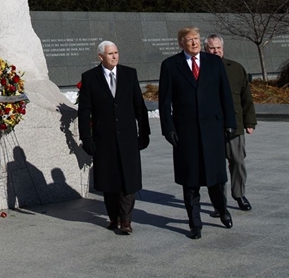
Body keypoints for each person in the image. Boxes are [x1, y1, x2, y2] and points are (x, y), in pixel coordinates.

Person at [159, 27, 237, 239]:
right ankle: (195, 224)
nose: (194, 43)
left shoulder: (213, 62)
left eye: (196, 39)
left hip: (213, 130)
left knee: (215, 179)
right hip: (186, 133)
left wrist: (230, 122)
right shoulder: (170, 66)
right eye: (188, 40)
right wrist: (168, 129)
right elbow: (164, 102)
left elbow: (225, 95)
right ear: (180, 43)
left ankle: (222, 210)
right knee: (190, 181)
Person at [78, 41, 150, 234]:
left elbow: (139, 107)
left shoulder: (129, 74)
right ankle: (113, 218)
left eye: (116, 52)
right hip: (104, 139)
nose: (115, 56)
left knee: (129, 179)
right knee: (109, 180)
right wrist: (87, 138)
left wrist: (144, 132)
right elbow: (85, 111)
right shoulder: (90, 78)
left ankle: (126, 220)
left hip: (127, 138)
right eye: (110, 54)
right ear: (100, 56)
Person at [204, 34, 257, 213]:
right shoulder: (200, 69)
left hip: (235, 124)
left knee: (238, 161)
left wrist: (249, 121)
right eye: (212, 48)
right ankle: (220, 203)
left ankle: (239, 194)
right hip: (212, 127)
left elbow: (246, 98)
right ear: (206, 49)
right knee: (216, 166)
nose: (216, 51)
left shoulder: (235, 68)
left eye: (218, 48)